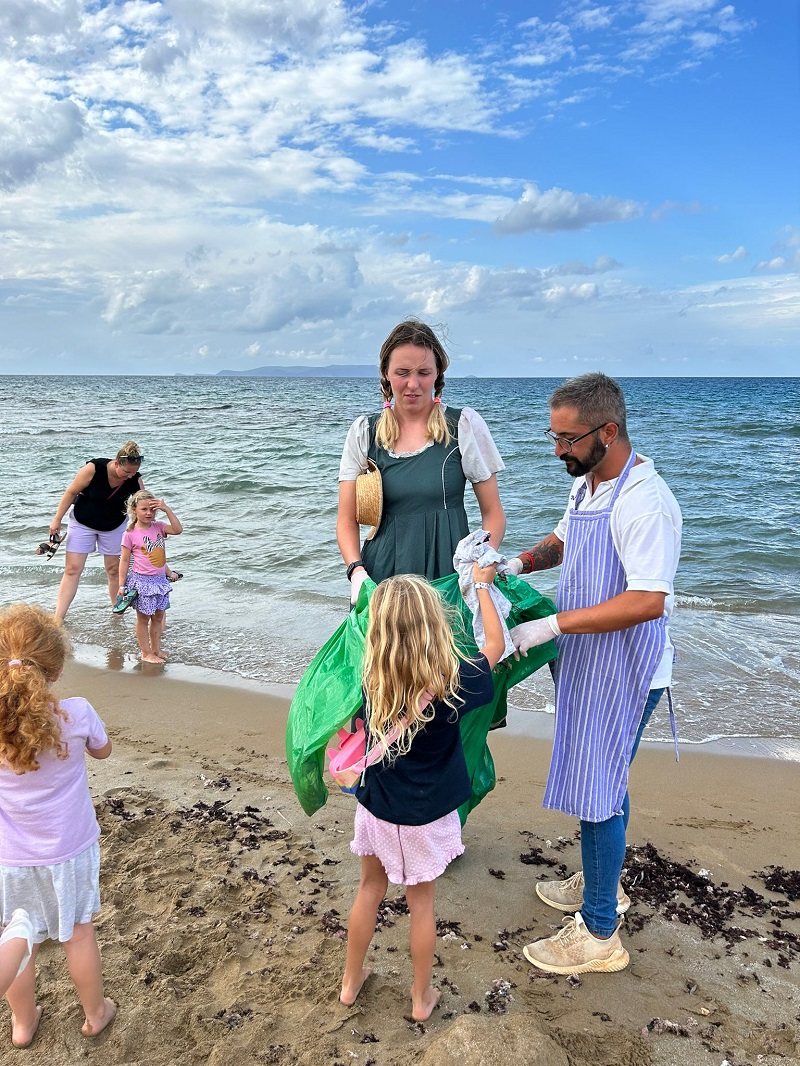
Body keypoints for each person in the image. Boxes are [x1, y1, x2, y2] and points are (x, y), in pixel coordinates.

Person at [506, 372, 682, 975]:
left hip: (628, 668)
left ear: (608, 430)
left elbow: (646, 601)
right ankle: (602, 880)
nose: (559, 450)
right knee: (600, 778)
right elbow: (564, 540)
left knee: (599, 788)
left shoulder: (644, 501)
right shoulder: (591, 483)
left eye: (568, 439)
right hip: (590, 660)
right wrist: (518, 564)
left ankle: (600, 932)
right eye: (552, 438)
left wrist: (550, 627)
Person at [339, 564, 506, 1020]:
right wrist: (484, 588)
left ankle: (351, 984)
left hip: (377, 808)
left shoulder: (373, 680)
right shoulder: (457, 681)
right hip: (426, 816)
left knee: (369, 890)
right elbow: (497, 644)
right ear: (436, 625)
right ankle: (419, 998)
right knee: (422, 905)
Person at [0, 604, 116, 1048]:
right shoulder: (77, 713)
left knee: (17, 935)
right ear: (57, 669)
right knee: (78, 932)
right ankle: (94, 1014)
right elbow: (103, 752)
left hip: (11, 855)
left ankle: (23, 1023)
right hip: (70, 848)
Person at [337, 320, 506, 604]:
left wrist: (482, 561)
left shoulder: (463, 425)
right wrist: (357, 573)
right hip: (381, 581)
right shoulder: (364, 432)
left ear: (438, 373)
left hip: (449, 578)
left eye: (424, 373)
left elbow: (493, 514)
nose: (413, 384)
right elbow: (346, 521)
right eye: (402, 373)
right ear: (386, 373)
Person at [50, 441, 145, 620]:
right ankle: (58, 618)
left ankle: (117, 615)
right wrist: (56, 520)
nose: (130, 476)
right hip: (82, 522)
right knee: (72, 569)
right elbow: (70, 493)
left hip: (114, 526)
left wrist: (145, 530)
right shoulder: (94, 468)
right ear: (116, 463)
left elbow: (143, 505)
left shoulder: (134, 479)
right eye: (126, 472)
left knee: (113, 570)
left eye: (133, 472)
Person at [118, 491, 183, 665]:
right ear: (134, 510)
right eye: (144, 509)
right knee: (143, 618)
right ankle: (145, 653)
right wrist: (121, 585)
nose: (148, 513)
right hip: (142, 582)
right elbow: (124, 561)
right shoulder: (130, 534)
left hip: (160, 581)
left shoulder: (159, 527)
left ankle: (156, 649)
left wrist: (166, 508)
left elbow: (178, 530)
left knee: (158, 617)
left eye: (152, 510)